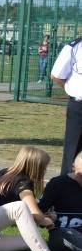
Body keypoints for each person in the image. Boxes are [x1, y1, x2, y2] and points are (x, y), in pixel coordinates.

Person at [38, 149, 82, 251]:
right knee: (70, 234)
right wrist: (47, 219)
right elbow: (38, 212)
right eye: (81, 175)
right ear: (73, 167)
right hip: (63, 232)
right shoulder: (58, 183)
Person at [51, 35, 82, 175]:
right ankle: (67, 189)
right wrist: (74, 90)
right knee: (73, 150)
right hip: (79, 106)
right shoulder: (74, 46)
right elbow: (56, 75)